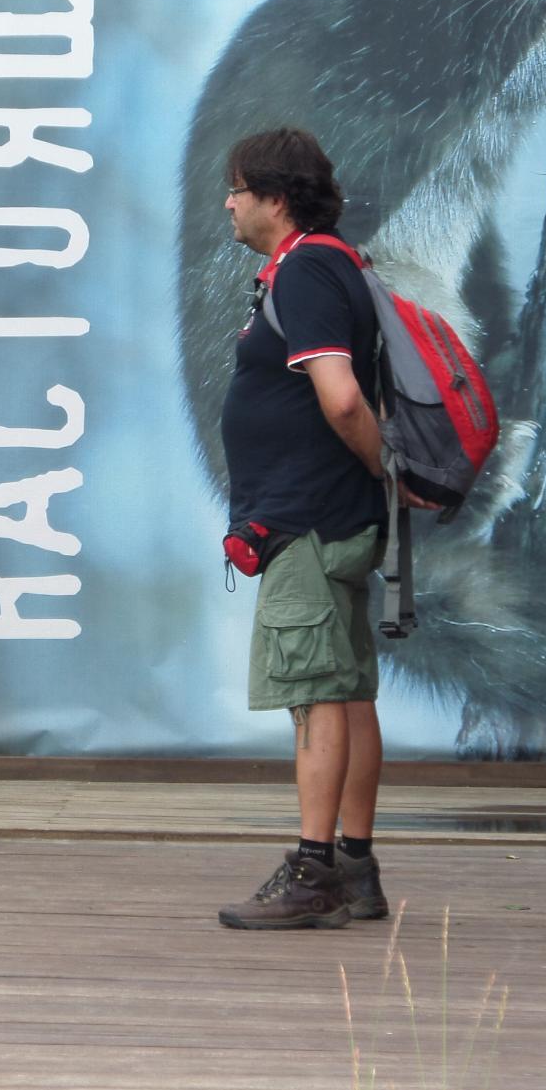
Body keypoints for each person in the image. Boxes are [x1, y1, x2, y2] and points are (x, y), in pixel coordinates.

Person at [213, 128, 440, 930]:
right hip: (331, 517)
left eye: (237, 189)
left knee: (314, 696)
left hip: (306, 523)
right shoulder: (334, 262)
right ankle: (357, 868)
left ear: (276, 198)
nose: (229, 205)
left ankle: (313, 874)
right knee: (347, 690)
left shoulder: (307, 269)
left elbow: (342, 399)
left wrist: (389, 472)